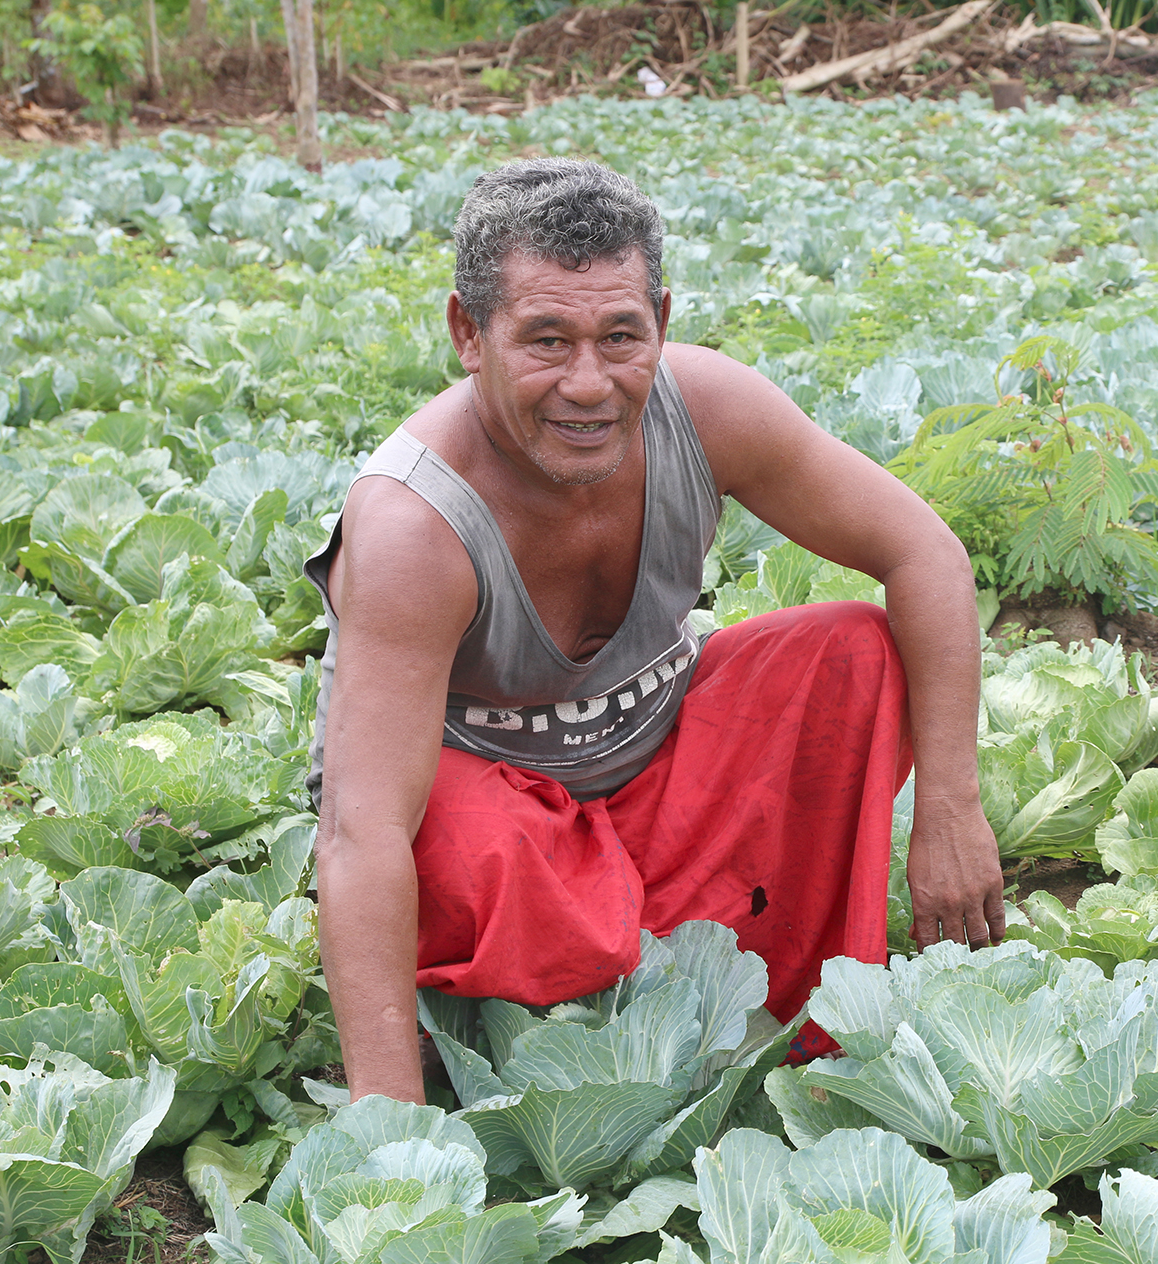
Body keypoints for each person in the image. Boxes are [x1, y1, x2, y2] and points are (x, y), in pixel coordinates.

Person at [305, 158, 1006, 1105]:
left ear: (663, 322)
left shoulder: (708, 411)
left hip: (656, 774)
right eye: (545, 341)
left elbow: (925, 553)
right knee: (463, 845)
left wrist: (951, 811)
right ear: (469, 334)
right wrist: (387, 1125)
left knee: (852, 653)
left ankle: (689, 971)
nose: (589, 384)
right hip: (501, 819)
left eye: (620, 336)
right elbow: (361, 830)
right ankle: (618, 983)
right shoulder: (415, 525)